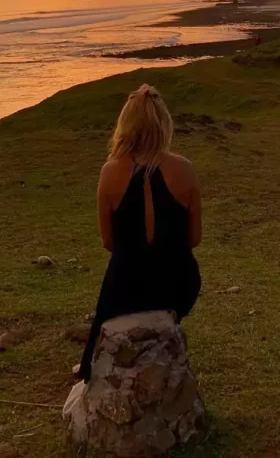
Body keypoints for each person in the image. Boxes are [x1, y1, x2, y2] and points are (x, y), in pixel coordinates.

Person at [77, 83, 202, 381]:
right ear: (164, 125)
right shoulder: (185, 169)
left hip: (126, 288)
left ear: (125, 126)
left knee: (116, 277)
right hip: (177, 284)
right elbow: (194, 239)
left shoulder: (110, 172)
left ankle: (90, 365)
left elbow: (109, 242)